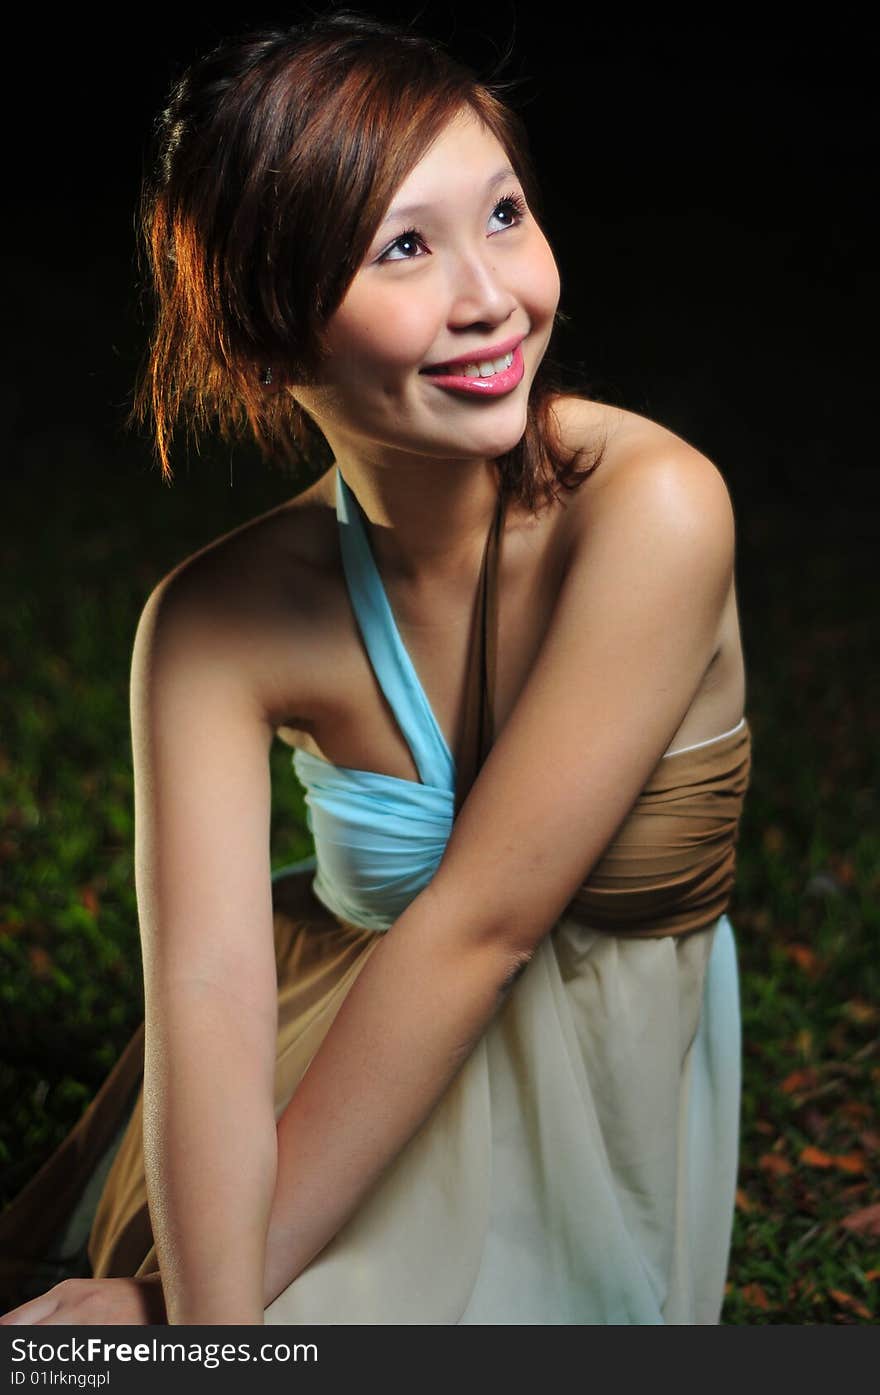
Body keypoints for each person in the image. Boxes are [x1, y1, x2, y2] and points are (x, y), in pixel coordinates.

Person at [0, 9, 752, 1325]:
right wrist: (210, 1323)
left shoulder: (656, 510)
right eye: (405, 246)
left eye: (504, 213)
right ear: (266, 332)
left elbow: (482, 928)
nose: (491, 296)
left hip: (582, 1124)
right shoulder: (211, 623)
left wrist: (180, 1313)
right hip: (325, 1093)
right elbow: (212, 992)